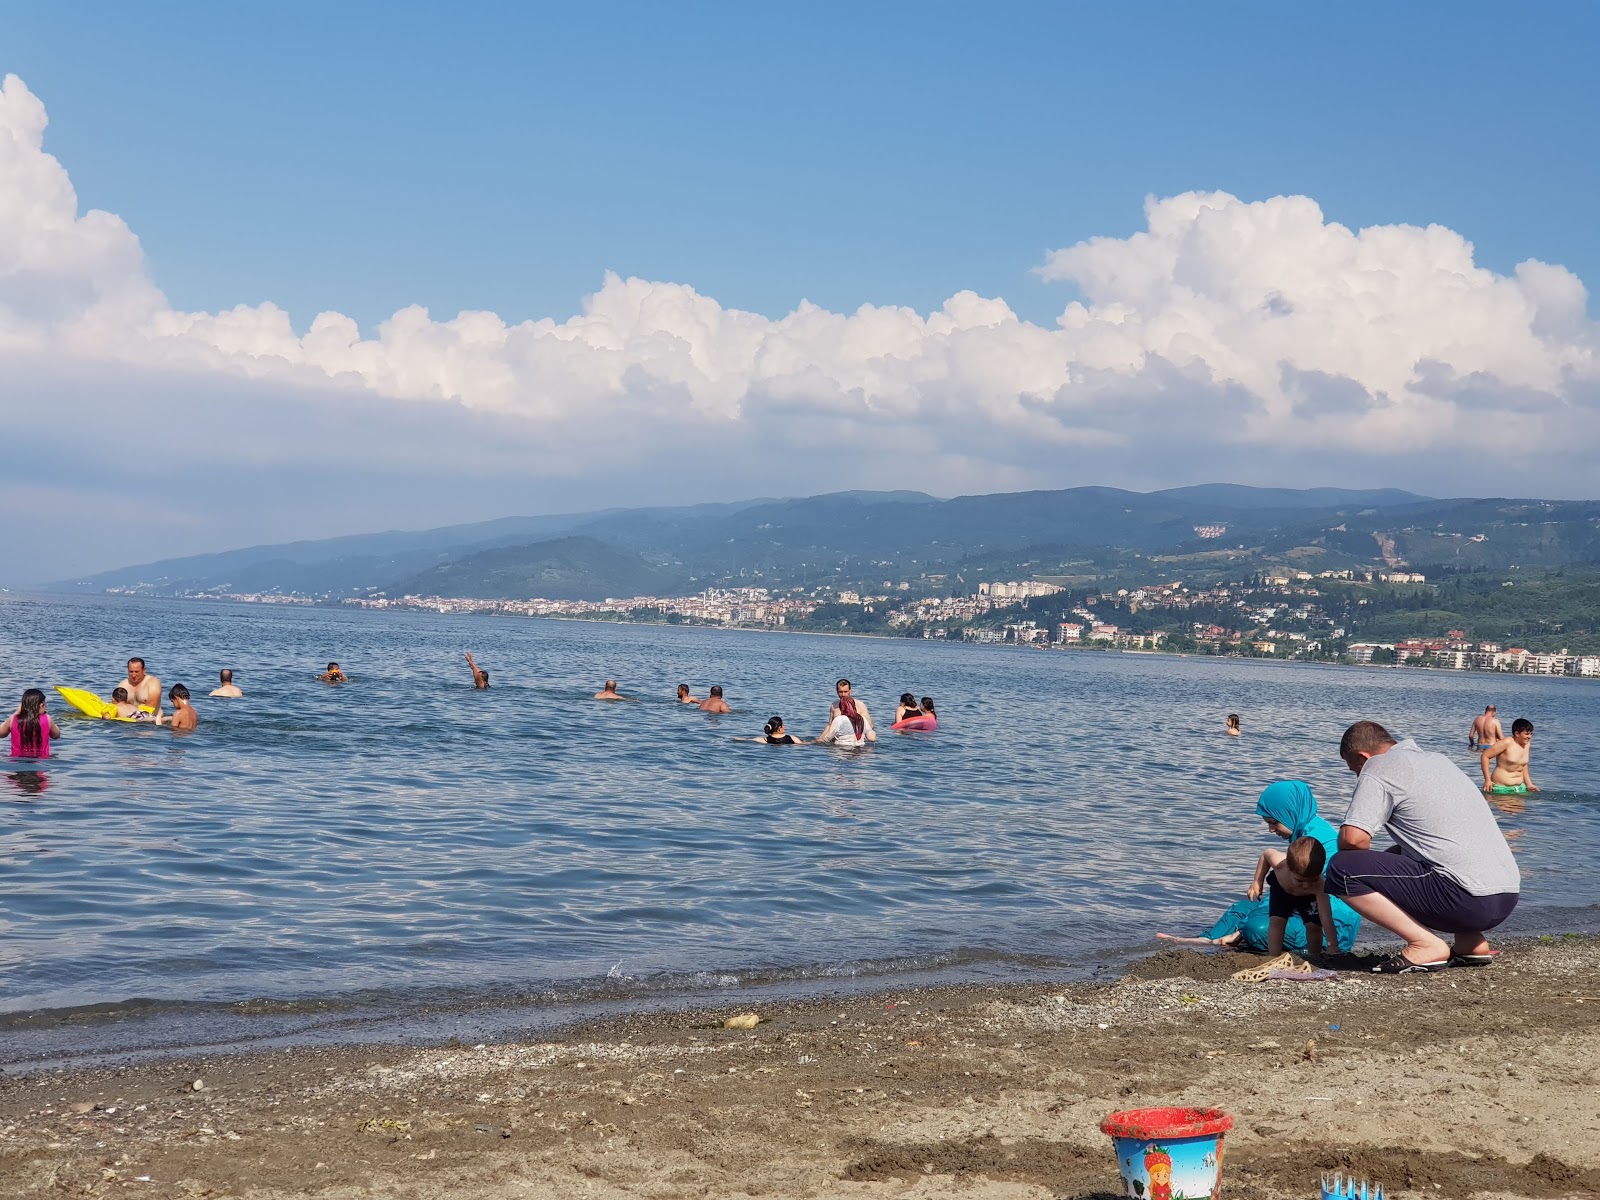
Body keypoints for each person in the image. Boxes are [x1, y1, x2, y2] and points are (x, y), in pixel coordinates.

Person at [1326, 720, 1520, 974]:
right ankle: (1470, 941)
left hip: (1465, 899)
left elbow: (1353, 839)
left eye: (1355, 770)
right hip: (1505, 898)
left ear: (1363, 757)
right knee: (1411, 852)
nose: (1357, 777)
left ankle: (1425, 944)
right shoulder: (1439, 761)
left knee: (1342, 868)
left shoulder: (1379, 765)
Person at [1156, 780, 1360, 956]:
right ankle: (1208, 940)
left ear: (1289, 813)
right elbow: (1283, 884)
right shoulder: (1302, 830)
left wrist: (1244, 929)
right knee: (1241, 908)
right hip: (1301, 905)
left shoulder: (1317, 843)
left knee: (1256, 927)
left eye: (1274, 822)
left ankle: (1240, 938)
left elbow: (1294, 889)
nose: (1271, 830)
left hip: (1331, 922)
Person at [1246, 836, 1340, 957]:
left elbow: (1326, 916)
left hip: (1308, 898)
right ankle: (1273, 955)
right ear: (1289, 868)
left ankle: (1315, 955)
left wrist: (1333, 946)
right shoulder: (1280, 863)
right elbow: (1266, 854)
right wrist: (1257, 881)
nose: (1306, 885)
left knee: (1314, 926)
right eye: (1300, 880)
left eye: (1312, 880)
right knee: (1277, 921)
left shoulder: (1319, 884)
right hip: (1281, 889)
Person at [1480, 718, 1538, 795]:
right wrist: (1487, 780)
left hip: (1519, 788)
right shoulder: (1506, 743)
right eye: (1526, 734)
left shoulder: (1527, 745)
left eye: (1531, 733)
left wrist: (1529, 784)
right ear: (1517, 734)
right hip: (1501, 788)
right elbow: (1485, 756)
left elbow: (1523, 764)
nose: (1529, 736)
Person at [3, 689, 61, 759]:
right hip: (41, 762)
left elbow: (1, 734)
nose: (46, 706)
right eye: (45, 704)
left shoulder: (13, 719)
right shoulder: (47, 719)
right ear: (41, 705)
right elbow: (56, 735)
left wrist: (16, 712)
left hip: (17, 761)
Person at [832, 678, 876, 743]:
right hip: (839, 741)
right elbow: (830, 725)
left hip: (856, 742)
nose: (843, 695)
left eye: (845, 692)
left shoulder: (860, 705)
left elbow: (870, 725)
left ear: (850, 691)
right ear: (837, 691)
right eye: (840, 692)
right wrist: (820, 739)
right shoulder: (834, 706)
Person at [738, 716, 804, 745]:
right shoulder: (792, 738)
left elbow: (747, 740)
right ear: (779, 728)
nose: (784, 727)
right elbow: (804, 744)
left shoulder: (764, 740)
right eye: (783, 725)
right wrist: (814, 741)